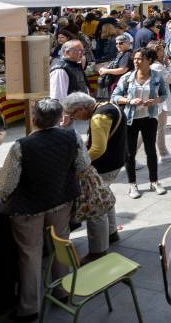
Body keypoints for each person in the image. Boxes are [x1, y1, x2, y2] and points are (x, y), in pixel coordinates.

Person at [0, 99, 89, 322]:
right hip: (60, 200)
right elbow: (83, 166)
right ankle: (63, 290)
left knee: (30, 254)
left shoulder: (21, 146)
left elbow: (6, 185)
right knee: (61, 246)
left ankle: (29, 308)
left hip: (29, 208)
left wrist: (2, 196)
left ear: (34, 118)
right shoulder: (72, 137)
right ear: (60, 118)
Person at [61, 92, 127, 262]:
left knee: (95, 206)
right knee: (104, 195)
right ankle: (111, 233)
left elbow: (98, 149)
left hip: (105, 165)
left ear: (82, 108)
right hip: (116, 160)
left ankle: (98, 251)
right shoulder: (109, 105)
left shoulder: (99, 117)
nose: (75, 118)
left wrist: (80, 164)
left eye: (73, 114)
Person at [112, 48, 168, 199]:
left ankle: (154, 181)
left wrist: (155, 101)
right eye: (135, 59)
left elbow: (164, 94)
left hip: (149, 118)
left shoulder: (156, 77)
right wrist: (130, 101)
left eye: (139, 59)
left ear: (148, 60)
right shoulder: (127, 78)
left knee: (151, 151)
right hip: (131, 119)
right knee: (130, 153)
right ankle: (132, 184)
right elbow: (115, 97)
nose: (136, 62)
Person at [96, 32, 133, 98]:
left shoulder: (127, 54)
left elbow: (122, 70)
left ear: (128, 43)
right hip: (118, 83)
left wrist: (106, 71)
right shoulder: (121, 53)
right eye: (116, 43)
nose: (118, 45)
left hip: (122, 85)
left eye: (121, 43)